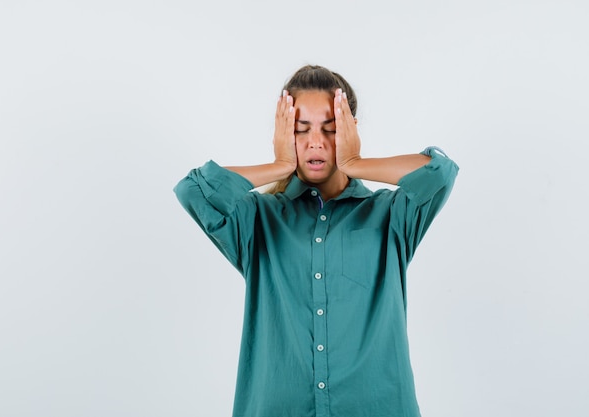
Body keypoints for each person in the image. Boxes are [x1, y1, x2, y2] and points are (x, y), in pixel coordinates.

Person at [174, 65, 459, 417]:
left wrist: (355, 162)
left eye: (331, 129)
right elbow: (194, 190)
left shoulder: (391, 215)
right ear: (283, 135)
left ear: (351, 132)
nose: (316, 142)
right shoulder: (257, 219)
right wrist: (279, 165)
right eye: (300, 129)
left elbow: (440, 173)